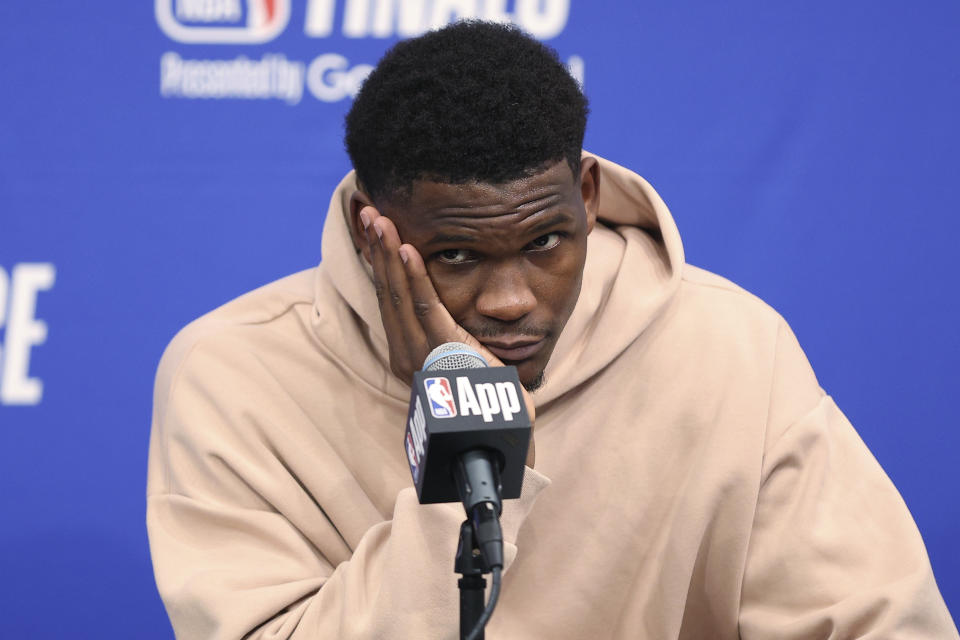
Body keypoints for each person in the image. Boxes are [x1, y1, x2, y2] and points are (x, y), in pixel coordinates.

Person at [146, 20, 958, 640]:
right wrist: (470, 445)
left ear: (590, 195)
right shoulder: (232, 376)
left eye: (545, 243)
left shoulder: (730, 348)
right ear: (372, 231)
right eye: (455, 254)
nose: (509, 300)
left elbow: (879, 623)